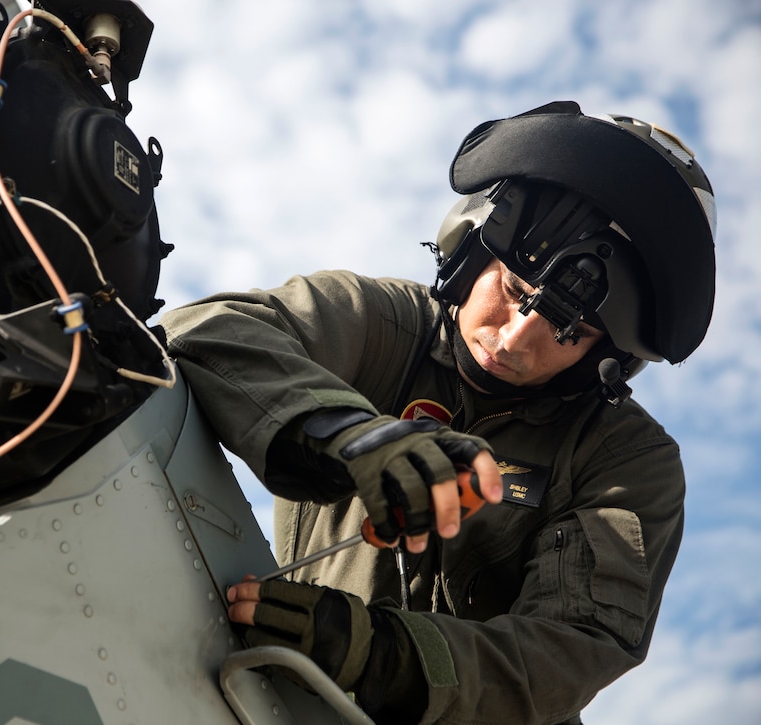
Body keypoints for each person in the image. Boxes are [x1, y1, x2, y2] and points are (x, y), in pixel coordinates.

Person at [158, 100, 717, 723]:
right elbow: (206, 330)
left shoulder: (625, 459)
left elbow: (574, 646)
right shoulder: (383, 326)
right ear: (472, 251)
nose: (514, 340)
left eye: (569, 331)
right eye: (513, 291)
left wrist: (389, 657)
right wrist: (346, 434)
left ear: (606, 355)